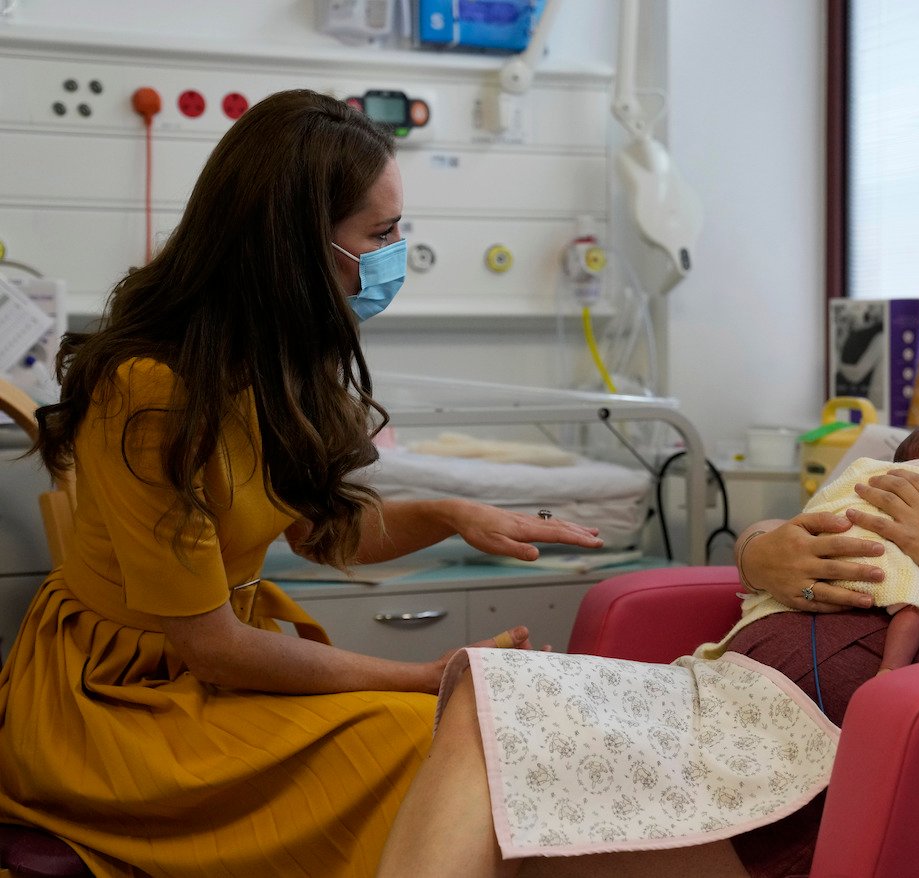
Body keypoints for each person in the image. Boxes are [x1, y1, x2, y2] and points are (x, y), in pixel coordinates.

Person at [377, 208, 919, 878]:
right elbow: (807, 520)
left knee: (490, 740)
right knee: (486, 717)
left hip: (841, 747)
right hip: (742, 703)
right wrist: (759, 552)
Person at [0, 88, 605, 877]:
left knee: (466, 748)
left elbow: (321, 530)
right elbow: (212, 647)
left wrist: (454, 515)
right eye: (381, 234)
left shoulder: (283, 357)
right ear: (291, 246)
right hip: (114, 706)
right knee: (427, 748)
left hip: (210, 675)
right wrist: (425, 677)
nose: (395, 253)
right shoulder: (151, 392)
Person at [697, 421, 919, 677]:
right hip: (750, 675)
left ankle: (890, 669)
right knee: (911, 602)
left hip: (783, 697)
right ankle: (891, 668)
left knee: (912, 599)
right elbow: (799, 527)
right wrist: (754, 554)